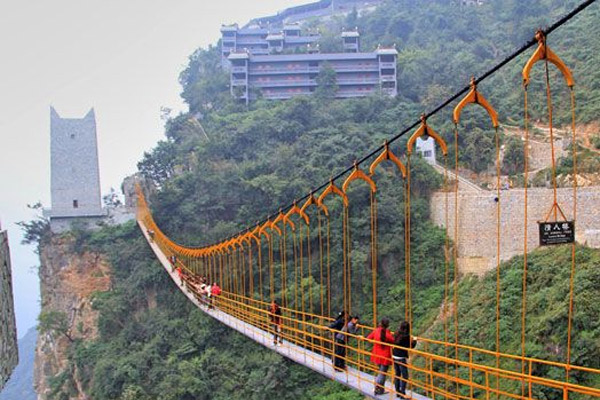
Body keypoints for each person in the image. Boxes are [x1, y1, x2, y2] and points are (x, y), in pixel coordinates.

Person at [366, 317, 394, 395]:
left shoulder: (376, 331)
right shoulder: (387, 334)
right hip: (385, 356)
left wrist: (376, 342)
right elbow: (393, 341)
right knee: (382, 373)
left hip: (376, 355)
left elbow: (368, 338)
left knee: (381, 372)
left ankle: (381, 390)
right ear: (387, 325)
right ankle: (377, 388)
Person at [393, 321, 417, 398]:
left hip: (394, 355)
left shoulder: (396, 333)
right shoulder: (406, 336)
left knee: (397, 374)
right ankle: (402, 393)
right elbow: (411, 346)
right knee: (405, 376)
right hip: (401, 357)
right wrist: (414, 340)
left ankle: (398, 392)